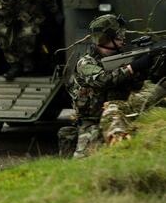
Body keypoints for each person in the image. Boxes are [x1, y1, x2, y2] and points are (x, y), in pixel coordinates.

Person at [66, 14, 154, 158]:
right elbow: (103, 79)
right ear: (106, 39)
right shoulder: (86, 63)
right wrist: (132, 67)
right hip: (92, 122)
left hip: (119, 115)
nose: (123, 40)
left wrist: (143, 71)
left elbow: (137, 88)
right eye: (119, 37)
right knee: (85, 162)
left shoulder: (121, 58)